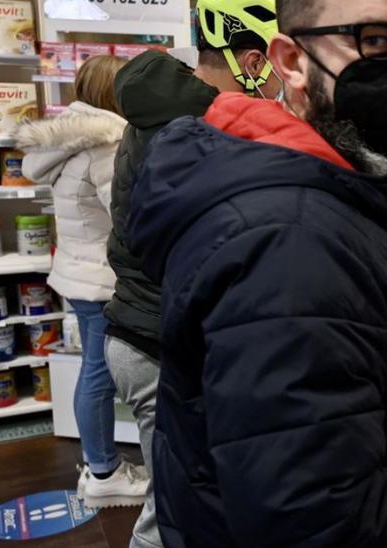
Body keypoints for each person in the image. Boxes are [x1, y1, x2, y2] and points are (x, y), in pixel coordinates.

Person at [126, 0, 387, 545]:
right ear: (291, 62)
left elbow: (337, 363)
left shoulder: (327, 192)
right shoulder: (292, 238)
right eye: (376, 41)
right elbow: (313, 520)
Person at [102, 1, 283, 546]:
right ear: (253, 60)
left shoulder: (175, 113)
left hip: (150, 335)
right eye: (284, 64)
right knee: (170, 519)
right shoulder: (195, 131)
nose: (287, 81)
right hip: (159, 343)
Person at [14, 55, 146, 508]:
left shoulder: (65, 143)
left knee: (94, 372)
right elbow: (126, 218)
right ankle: (104, 472)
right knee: (99, 376)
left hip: (78, 273)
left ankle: (99, 467)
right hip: (102, 279)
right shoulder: (107, 143)